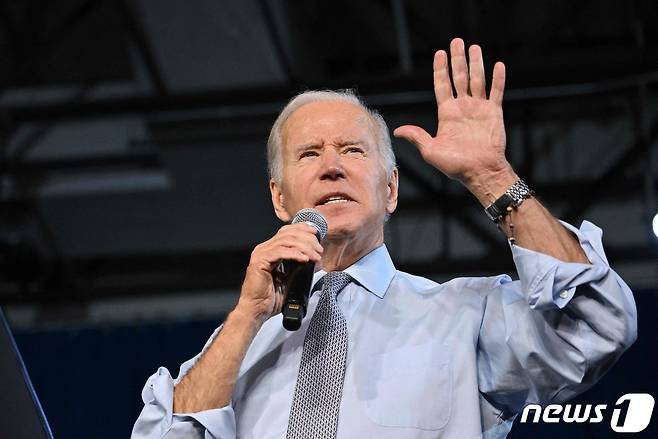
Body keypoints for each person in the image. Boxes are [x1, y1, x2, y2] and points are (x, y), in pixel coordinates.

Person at [131, 38, 637, 438]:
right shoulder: (232, 351)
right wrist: (244, 319)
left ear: (390, 188)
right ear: (279, 199)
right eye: (309, 155)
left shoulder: (467, 318)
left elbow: (598, 326)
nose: (331, 167)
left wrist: (492, 177)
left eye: (352, 150)